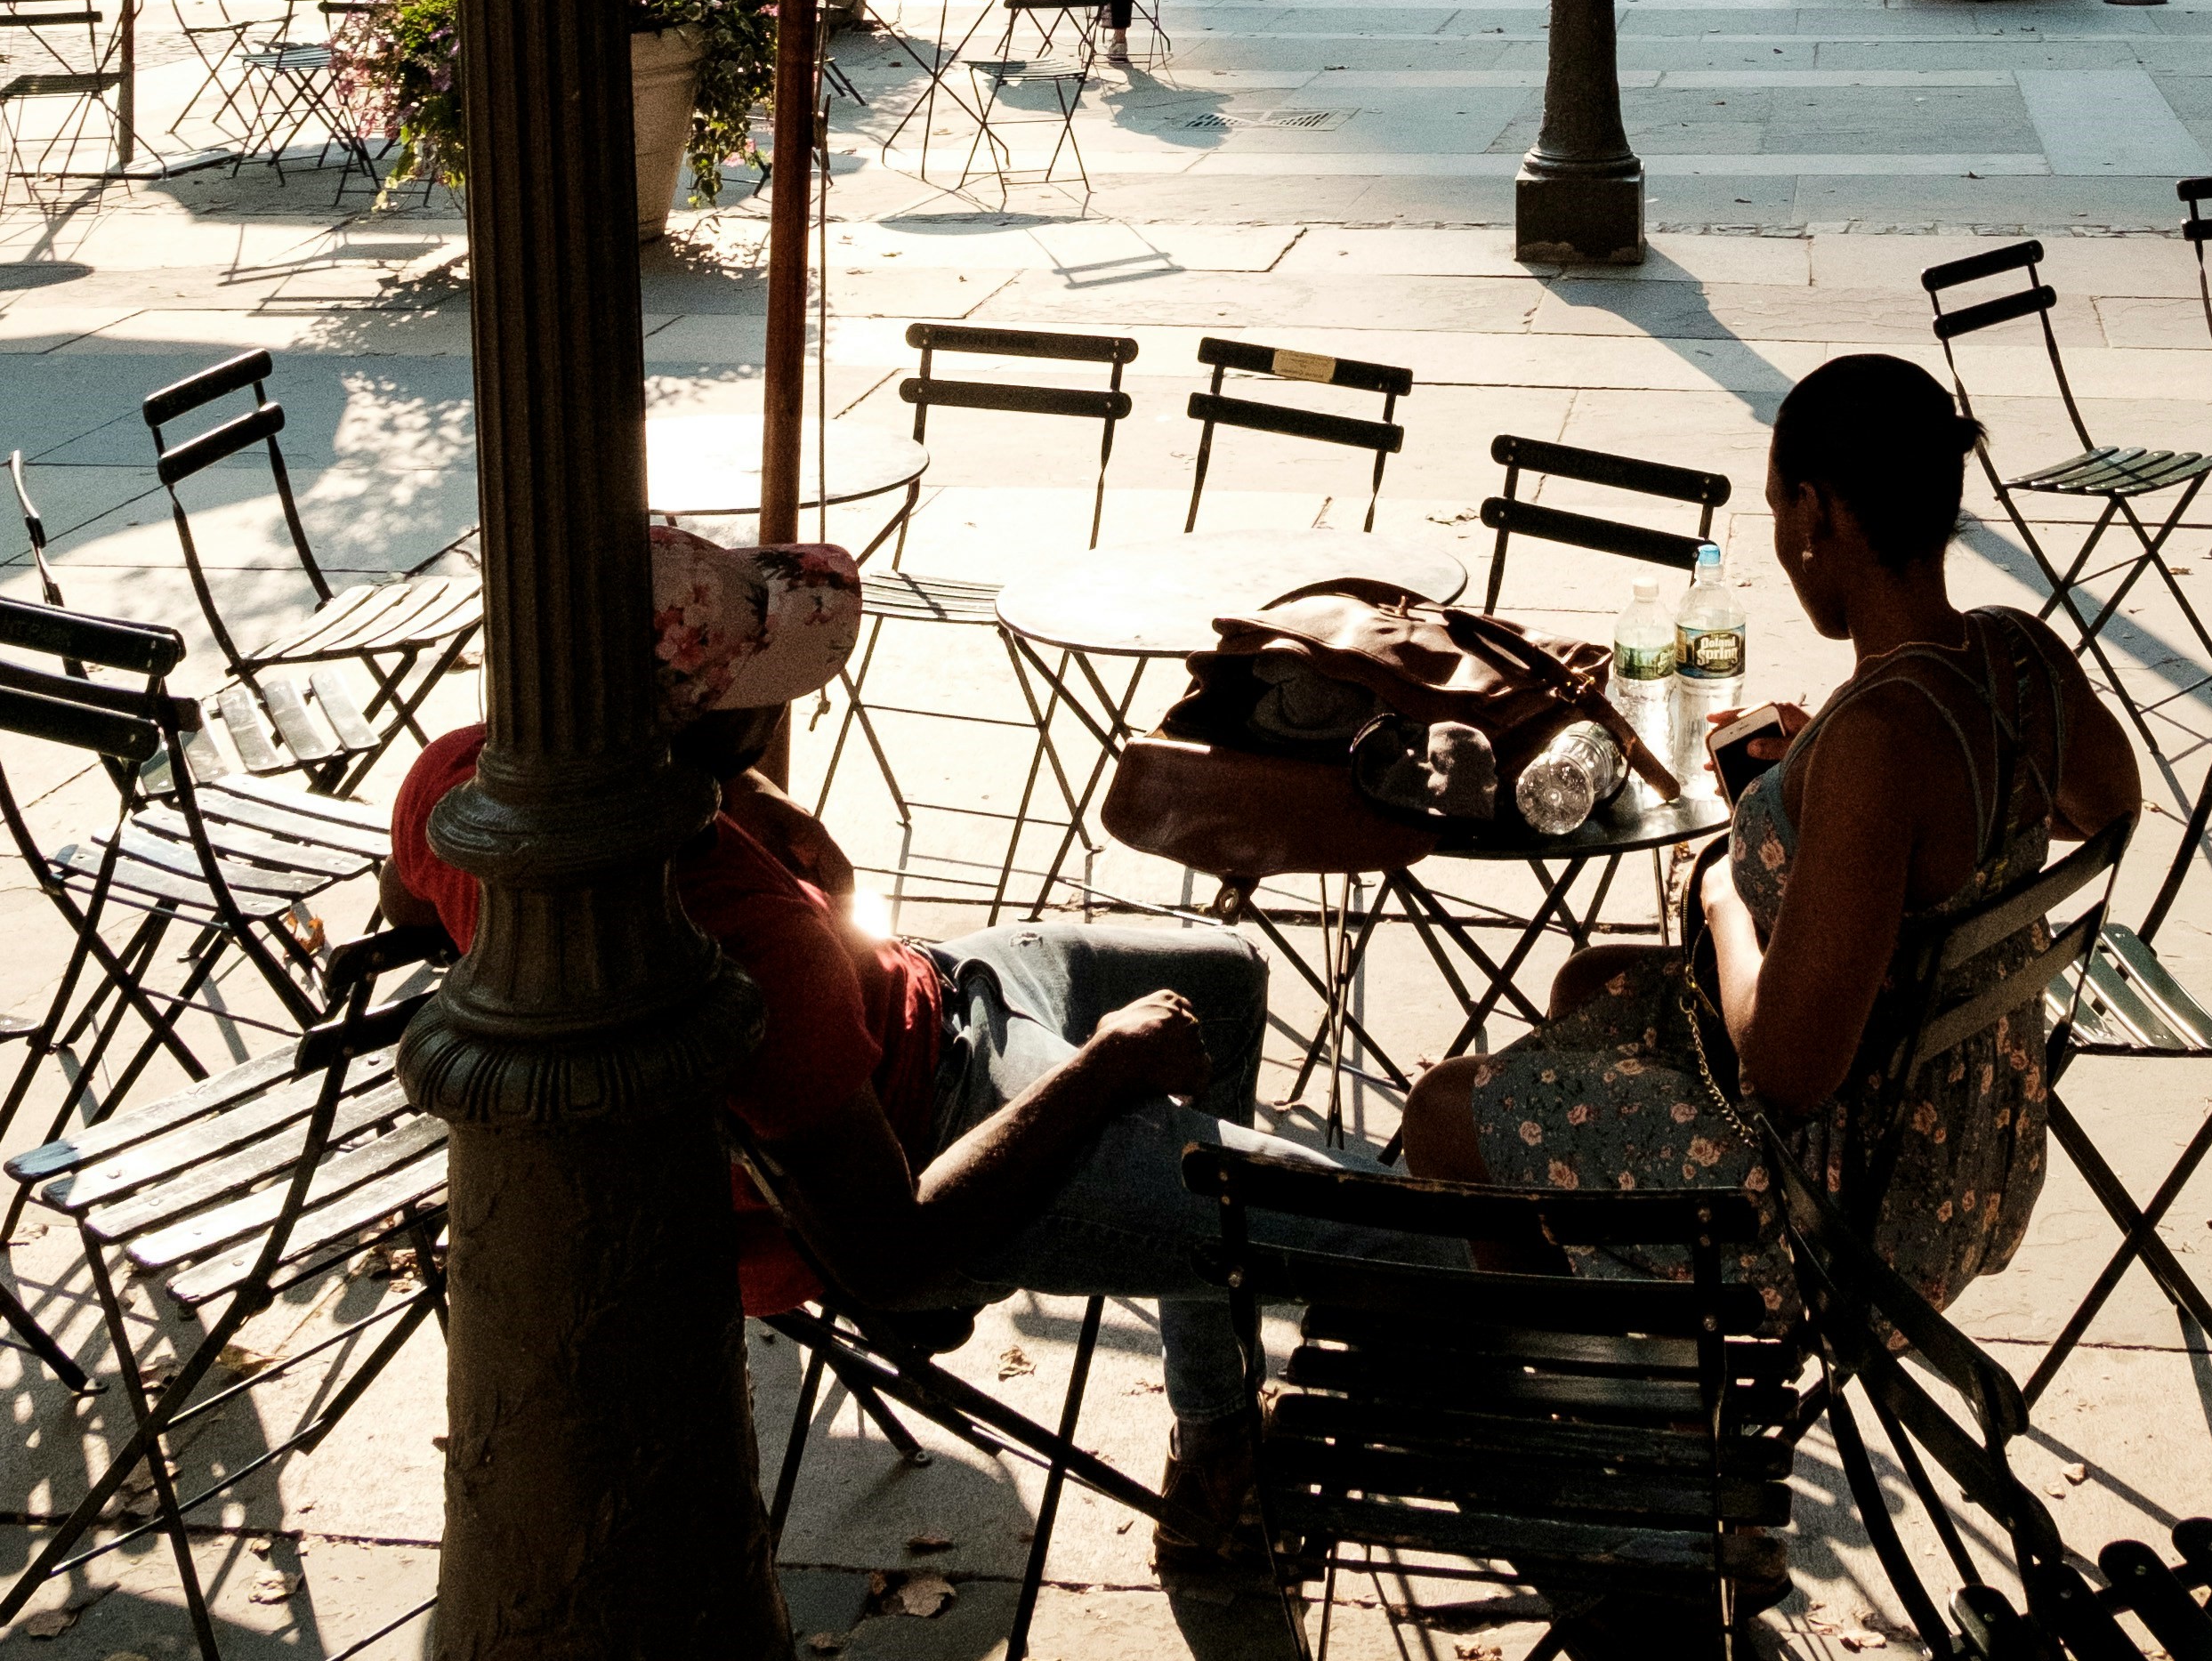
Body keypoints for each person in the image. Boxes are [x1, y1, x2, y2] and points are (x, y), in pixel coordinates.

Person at [383, 528, 1457, 1581]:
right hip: (949, 1117)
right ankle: (1516, 1437)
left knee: (1225, 971)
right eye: (764, 689)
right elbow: (896, 1259)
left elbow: (411, 912)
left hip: (940, 990)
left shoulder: (464, 782)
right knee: (1404, 1234)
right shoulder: (755, 949)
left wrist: (750, 804)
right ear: (709, 725)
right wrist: (1106, 1070)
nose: (786, 705)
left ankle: (1215, 1434)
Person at [1402, 352, 2139, 1330]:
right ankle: (1624, 1346)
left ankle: (1568, 1389)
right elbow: (2107, 807)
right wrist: (1847, 820)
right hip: (1975, 1138)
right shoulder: (2018, 653)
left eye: (1778, 511)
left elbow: (1788, 1071)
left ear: (1816, 511)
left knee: (1444, 1112)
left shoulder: (1877, 736)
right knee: (1589, 984)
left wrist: (1722, 891)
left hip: (1846, 1209)